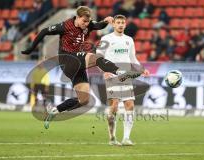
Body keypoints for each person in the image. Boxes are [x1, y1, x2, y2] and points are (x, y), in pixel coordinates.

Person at [21, 6, 144, 129]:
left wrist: (106, 21)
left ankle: (55, 110)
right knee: (95, 58)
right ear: (77, 17)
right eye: (84, 21)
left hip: (77, 65)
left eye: (88, 21)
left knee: (84, 99)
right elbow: (44, 31)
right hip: (67, 59)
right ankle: (121, 72)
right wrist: (31, 49)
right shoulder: (65, 26)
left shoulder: (88, 24)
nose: (86, 24)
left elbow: (99, 26)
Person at [97, 15, 149, 146]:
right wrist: (104, 71)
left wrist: (142, 69)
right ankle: (112, 137)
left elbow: (132, 58)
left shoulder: (129, 40)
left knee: (130, 105)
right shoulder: (106, 39)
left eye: (123, 23)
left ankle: (126, 138)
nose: (120, 25)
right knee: (114, 106)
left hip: (126, 76)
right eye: (118, 22)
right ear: (113, 24)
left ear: (125, 25)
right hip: (112, 76)